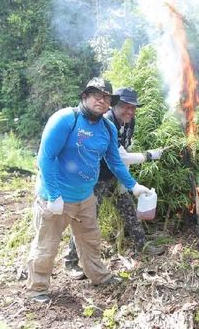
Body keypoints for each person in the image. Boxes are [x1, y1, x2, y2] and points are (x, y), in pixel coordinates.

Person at [26, 77, 151, 303]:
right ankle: (38, 288)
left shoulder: (108, 129)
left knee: (90, 240)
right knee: (47, 244)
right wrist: (54, 196)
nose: (101, 101)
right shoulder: (65, 119)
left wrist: (133, 186)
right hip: (57, 197)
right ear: (85, 96)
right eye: (97, 95)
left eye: (106, 98)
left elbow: (115, 162)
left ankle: (99, 277)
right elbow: (46, 157)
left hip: (85, 197)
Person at [64, 87, 165, 279]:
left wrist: (123, 179)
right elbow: (120, 156)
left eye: (133, 107)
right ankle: (70, 262)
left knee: (128, 209)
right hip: (96, 180)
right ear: (115, 105)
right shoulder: (107, 121)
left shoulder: (129, 122)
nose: (129, 111)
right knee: (86, 220)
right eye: (125, 106)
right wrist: (149, 156)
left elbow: (124, 151)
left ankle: (141, 245)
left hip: (113, 176)